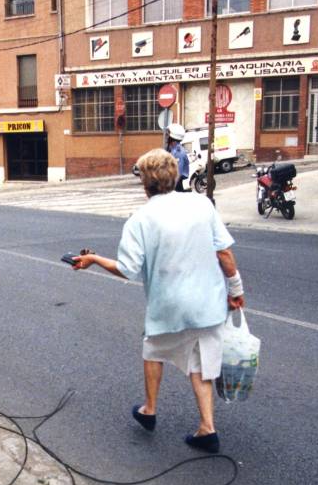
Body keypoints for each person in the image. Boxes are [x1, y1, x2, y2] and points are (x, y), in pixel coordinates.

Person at [72, 149, 244, 453]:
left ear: (145, 184)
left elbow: (127, 269)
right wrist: (236, 290)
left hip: (169, 306)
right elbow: (225, 254)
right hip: (208, 303)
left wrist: (93, 259)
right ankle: (208, 427)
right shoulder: (201, 204)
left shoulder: (140, 220)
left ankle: (150, 410)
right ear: (175, 174)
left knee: (153, 350)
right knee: (201, 363)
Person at [166, 123, 190, 191]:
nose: (166, 137)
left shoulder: (178, 152)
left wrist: (169, 189)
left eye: (168, 134)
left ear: (173, 137)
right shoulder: (172, 150)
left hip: (177, 186)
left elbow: (177, 174)